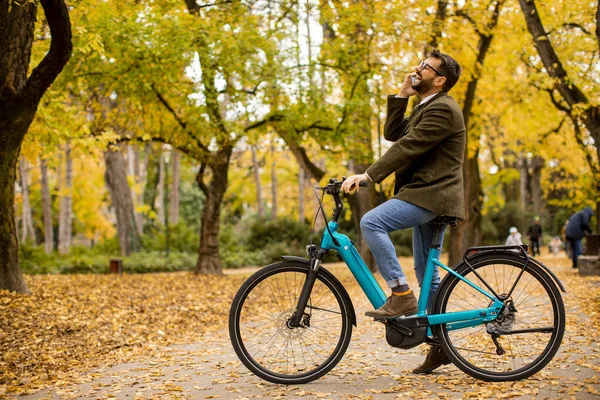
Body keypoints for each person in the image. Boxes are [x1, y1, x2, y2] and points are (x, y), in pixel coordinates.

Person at [341, 49, 464, 375]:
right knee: (427, 270)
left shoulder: (443, 110)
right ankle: (441, 345)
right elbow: (395, 133)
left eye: (426, 67)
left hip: (431, 194)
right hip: (427, 194)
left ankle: (400, 293)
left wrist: (367, 176)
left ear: (439, 80)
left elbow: (406, 147)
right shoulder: (428, 106)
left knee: (371, 221)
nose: (418, 68)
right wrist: (401, 95)